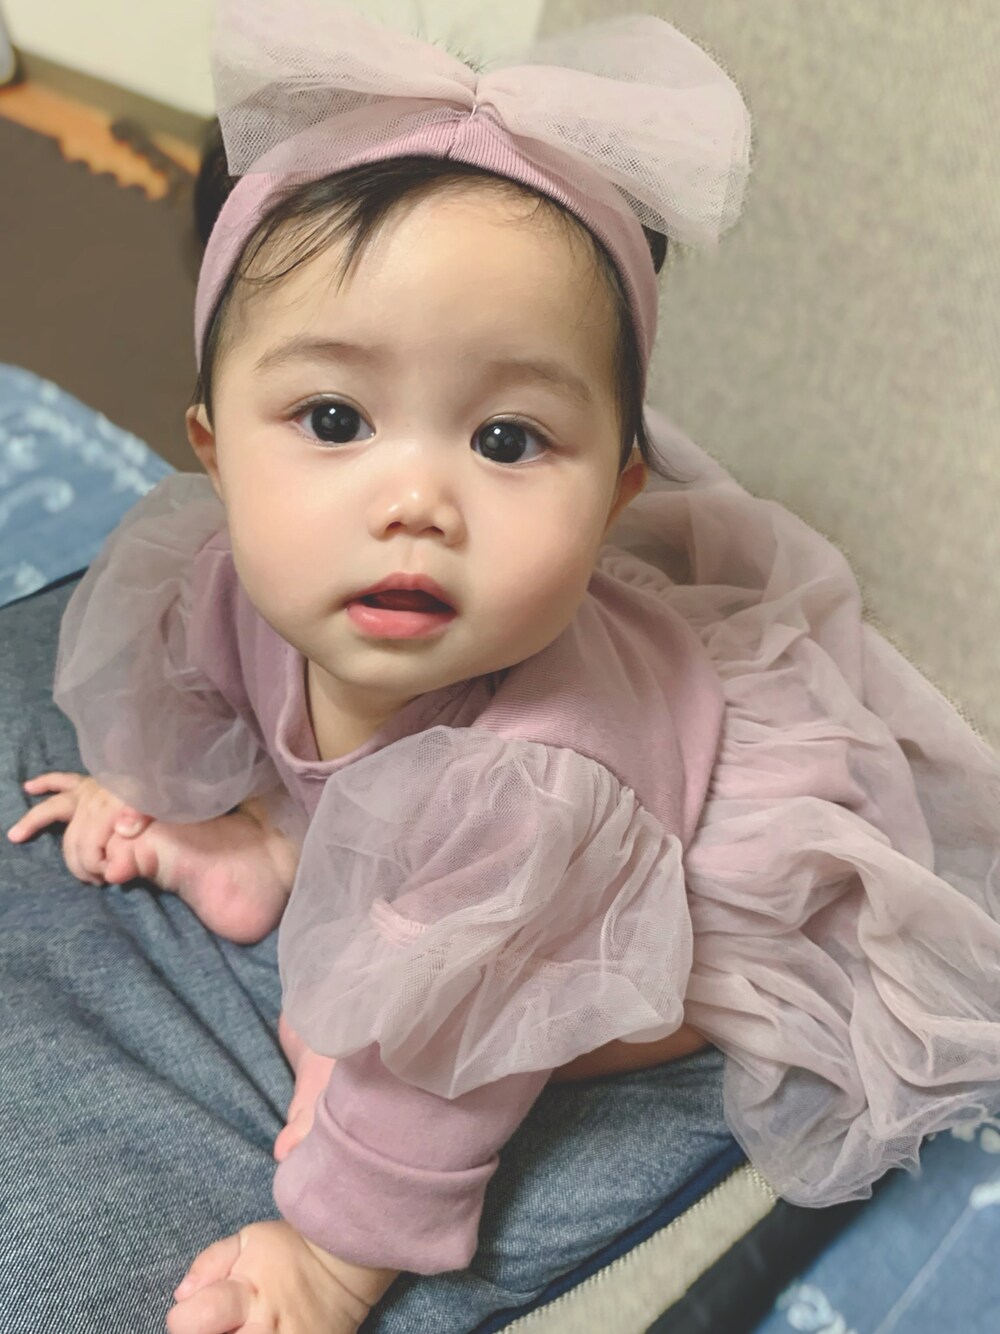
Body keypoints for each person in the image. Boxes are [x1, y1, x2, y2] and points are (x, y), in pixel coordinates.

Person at [6, 3, 1000, 1331]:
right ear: (214, 448)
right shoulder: (240, 577)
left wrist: (331, 1261)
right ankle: (279, 843)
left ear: (618, 492)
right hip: (431, 812)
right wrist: (192, 795)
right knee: (337, 798)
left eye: (509, 440)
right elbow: (212, 684)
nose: (415, 502)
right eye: (335, 418)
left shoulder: (537, 780)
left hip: (645, 867)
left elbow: (454, 1058)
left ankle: (381, 938)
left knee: (553, 1007)